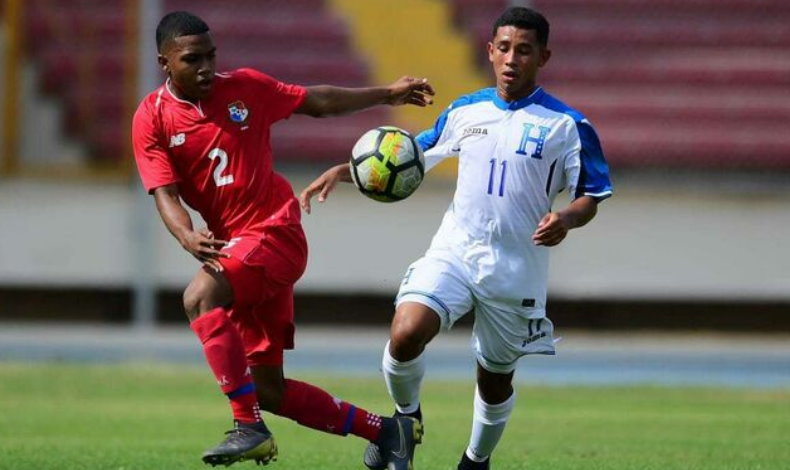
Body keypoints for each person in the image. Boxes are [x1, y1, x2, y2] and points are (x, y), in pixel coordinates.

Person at [300, 6, 613, 470]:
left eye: (524, 50)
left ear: (543, 57)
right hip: (456, 252)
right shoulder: (466, 111)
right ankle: (406, 424)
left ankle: (475, 460)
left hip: (515, 268)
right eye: (503, 48)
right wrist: (346, 171)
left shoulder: (567, 126)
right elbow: (407, 156)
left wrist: (565, 219)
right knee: (405, 333)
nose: (512, 59)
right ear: (489, 51)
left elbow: (592, 194)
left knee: (495, 379)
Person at [131, 11, 435, 469]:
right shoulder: (151, 118)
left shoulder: (247, 87)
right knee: (268, 390)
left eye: (211, 56)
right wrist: (186, 234)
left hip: (275, 233)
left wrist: (387, 94)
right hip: (239, 250)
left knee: (199, 297)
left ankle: (247, 428)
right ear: (164, 63)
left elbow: (321, 101)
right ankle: (388, 431)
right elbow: (164, 192)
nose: (206, 68)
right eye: (192, 60)